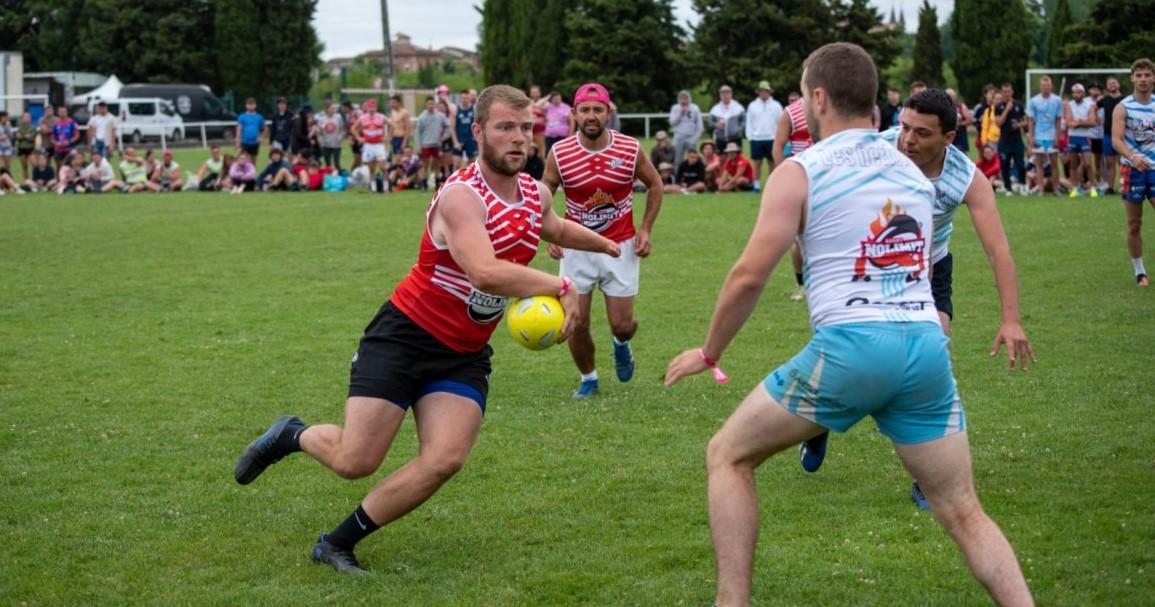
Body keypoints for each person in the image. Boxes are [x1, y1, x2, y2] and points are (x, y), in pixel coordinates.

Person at [664, 42, 1035, 607]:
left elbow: (747, 277)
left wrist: (709, 353)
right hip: (925, 347)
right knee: (963, 511)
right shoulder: (915, 176)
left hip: (854, 347)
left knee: (729, 455)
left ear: (816, 97)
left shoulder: (801, 170)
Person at [233, 84, 620, 574]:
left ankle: (336, 542)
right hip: (405, 337)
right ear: (478, 132)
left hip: (464, 352)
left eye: (526, 128)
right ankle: (291, 434)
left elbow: (555, 228)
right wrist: (560, 284)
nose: (519, 139)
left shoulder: (534, 193)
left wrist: (603, 245)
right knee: (356, 460)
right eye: (505, 127)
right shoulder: (461, 197)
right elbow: (483, 271)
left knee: (444, 459)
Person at [800, 88, 1036, 509]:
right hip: (867, 261)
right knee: (839, 355)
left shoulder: (965, 177)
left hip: (929, 269)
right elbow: (814, 173)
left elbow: (998, 249)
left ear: (948, 138)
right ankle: (815, 424)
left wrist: (1011, 319)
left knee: (932, 357)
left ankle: (927, 482)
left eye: (921, 133)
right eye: (904, 127)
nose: (906, 140)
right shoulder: (875, 147)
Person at [543, 82, 663, 399]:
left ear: (609, 112)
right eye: (585, 110)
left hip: (620, 245)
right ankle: (589, 379)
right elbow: (542, 196)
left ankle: (621, 344)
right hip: (576, 247)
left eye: (598, 109)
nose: (592, 116)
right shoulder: (560, 153)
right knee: (577, 322)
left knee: (622, 325)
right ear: (574, 114)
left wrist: (646, 229)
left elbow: (655, 184)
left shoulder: (629, 148)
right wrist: (551, 233)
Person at [1111, 57, 1155, 287]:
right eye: (1139, 75)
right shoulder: (1123, 107)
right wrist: (1134, 157)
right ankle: (1140, 271)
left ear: (1153, 78)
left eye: (1147, 75)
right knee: (1135, 224)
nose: (1143, 79)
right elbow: (1117, 140)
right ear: (1132, 78)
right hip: (1132, 171)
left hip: (1154, 170)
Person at [773, 95, 814, 302]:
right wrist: (784, 178)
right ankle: (802, 285)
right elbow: (778, 146)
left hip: (825, 179)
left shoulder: (831, 108)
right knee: (798, 238)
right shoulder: (790, 113)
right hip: (801, 180)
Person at [1027, 76, 1064, 195]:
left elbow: (1058, 120)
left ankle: (1056, 188)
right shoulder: (1033, 101)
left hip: (1052, 136)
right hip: (1039, 136)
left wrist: (1057, 137)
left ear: (1051, 86)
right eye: (1043, 85)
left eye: (1047, 85)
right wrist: (1031, 137)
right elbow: (1031, 121)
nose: (1045, 87)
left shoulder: (1057, 100)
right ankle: (1041, 189)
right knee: (1039, 165)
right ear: (1040, 87)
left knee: (1054, 164)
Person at [745, 81, 782, 186]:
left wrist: (778, 137)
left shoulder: (776, 105)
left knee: (772, 163)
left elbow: (780, 122)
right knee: (757, 163)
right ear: (759, 92)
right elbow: (749, 122)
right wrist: (750, 137)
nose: (764, 93)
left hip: (772, 138)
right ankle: (756, 185)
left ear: (769, 92)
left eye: (766, 91)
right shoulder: (752, 105)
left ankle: (771, 185)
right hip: (756, 139)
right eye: (762, 91)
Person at [1064, 84, 1099, 197]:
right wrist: (1084, 122)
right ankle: (1075, 188)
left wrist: (1078, 122)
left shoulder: (1090, 104)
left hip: (1085, 137)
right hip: (1073, 137)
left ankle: (1093, 188)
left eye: (1079, 92)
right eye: (1074, 92)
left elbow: (1093, 122)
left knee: (1088, 164)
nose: (1077, 94)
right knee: (1073, 164)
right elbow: (1069, 123)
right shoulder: (1069, 105)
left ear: (1083, 93)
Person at [350, 98, 389, 193]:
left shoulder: (381, 117)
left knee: (383, 167)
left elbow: (392, 125)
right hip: (368, 145)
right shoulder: (363, 118)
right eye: (370, 107)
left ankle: (386, 188)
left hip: (379, 145)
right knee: (371, 168)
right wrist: (359, 138)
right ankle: (373, 188)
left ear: (376, 108)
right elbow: (353, 128)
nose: (372, 109)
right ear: (367, 108)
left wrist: (388, 136)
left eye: (374, 107)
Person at [996, 83, 1027, 194]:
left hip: (1017, 140)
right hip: (1004, 140)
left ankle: (1023, 186)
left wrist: (1019, 125)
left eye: (1008, 91)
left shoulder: (1019, 105)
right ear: (1001, 92)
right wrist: (1007, 110)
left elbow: (1025, 121)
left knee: (1021, 164)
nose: (1006, 94)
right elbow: (998, 123)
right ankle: (1008, 188)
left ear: (1012, 92)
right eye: (1004, 92)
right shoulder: (999, 106)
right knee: (1005, 165)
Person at [1099, 77, 1125, 194]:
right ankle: (1110, 187)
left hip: (1122, 136)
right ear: (1107, 87)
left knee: (1123, 162)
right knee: (1109, 163)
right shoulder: (1104, 100)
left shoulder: (1125, 100)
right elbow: (1093, 107)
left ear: (1118, 84)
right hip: (1108, 135)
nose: (1112, 85)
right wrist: (1096, 120)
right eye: (1109, 83)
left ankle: (1124, 186)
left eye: (1114, 82)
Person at [415, 97, 448, 189]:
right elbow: (418, 132)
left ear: (435, 105)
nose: (431, 106)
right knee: (425, 166)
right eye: (429, 104)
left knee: (437, 165)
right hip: (425, 144)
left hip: (437, 145)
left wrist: (443, 137)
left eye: (432, 104)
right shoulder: (422, 117)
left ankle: (437, 185)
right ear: (426, 105)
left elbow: (448, 126)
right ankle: (424, 184)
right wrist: (418, 145)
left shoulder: (440, 116)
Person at [669, 90, 704, 166]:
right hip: (678, 138)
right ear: (679, 99)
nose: (683, 100)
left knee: (693, 158)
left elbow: (700, 126)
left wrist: (695, 138)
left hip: (691, 137)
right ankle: (678, 176)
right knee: (677, 160)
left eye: (685, 98)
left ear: (689, 98)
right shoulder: (675, 108)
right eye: (682, 98)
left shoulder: (695, 108)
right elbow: (672, 122)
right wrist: (680, 113)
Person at [709, 85, 745, 152]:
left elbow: (744, 121)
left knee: (735, 160)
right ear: (720, 95)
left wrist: (739, 129)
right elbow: (710, 123)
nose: (725, 95)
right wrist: (716, 125)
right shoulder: (714, 109)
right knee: (721, 160)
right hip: (720, 140)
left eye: (727, 93)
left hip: (735, 139)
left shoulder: (739, 107)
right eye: (723, 93)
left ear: (731, 94)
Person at [451, 89, 478, 169]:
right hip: (459, 140)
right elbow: (452, 128)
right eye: (463, 98)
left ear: (469, 98)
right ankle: (456, 180)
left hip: (471, 139)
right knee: (456, 164)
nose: (465, 100)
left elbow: (477, 125)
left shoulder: (474, 110)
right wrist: (455, 142)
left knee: (472, 164)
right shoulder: (456, 110)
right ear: (460, 98)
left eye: (467, 98)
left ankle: (469, 180)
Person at [316, 101, 345, 171]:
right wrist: (320, 139)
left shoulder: (338, 117)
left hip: (336, 144)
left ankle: (340, 176)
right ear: (326, 109)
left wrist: (340, 137)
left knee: (336, 163)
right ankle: (329, 178)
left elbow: (342, 129)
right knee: (328, 164)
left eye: (333, 108)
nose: (333, 110)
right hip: (326, 144)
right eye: (331, 108)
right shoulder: (321, 119)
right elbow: (319, 131)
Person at [51, 106, 80, 172]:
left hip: (69, 149)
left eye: (64, 111)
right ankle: (60, 181)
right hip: (59, 150)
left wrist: (69, 141)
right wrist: (57, 143)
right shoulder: (55, 124)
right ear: (58, 113)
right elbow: (52, 138)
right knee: (59, 167)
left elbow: (77, 135)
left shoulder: (72, 122)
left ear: (67, 112)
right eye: (61, 112)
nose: (62, 113)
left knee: (71, 166)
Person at [947, 88, 972, 153]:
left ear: (955, 97)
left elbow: (969, 120)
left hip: (960, 138)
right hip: (947, 137)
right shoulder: (943, 107)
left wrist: (959, 124)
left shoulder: (961, 107)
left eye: (951, 96)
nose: (950, 98)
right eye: (948, 96)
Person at [15, 111, 37, 180]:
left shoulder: (33, 127)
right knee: (24, 167)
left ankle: (35, 180)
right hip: (21, 148)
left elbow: (31, 137)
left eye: (28, 117)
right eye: (25, 117)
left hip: (30, 149)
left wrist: (23, 136)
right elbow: (18, 136)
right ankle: (26, 181)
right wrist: (25, 136)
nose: (26, 118)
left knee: (34, 165)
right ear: (22, 118)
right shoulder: (20, 127)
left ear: (30, 118)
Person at [529, 85, 548, 152]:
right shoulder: (528, 103)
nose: (534, 94)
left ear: (539, 93)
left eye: (536, 92)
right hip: (529, 132)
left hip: (541, 132)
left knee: (541, 152)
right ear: (530, 93)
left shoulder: (546, 103)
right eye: (533, 92)